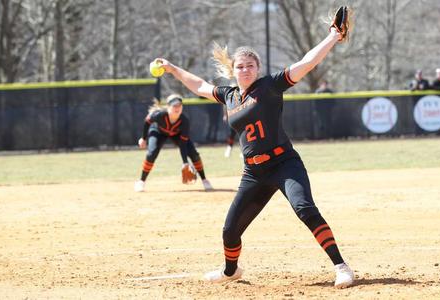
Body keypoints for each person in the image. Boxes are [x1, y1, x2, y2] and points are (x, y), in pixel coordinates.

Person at [151, 7, 354, 288]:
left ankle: (342, 267)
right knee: (230, 230)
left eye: (250, 65)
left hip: (284, 164)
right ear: (232, 71)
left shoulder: (270, 86)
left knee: (305, 209)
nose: (245, 69)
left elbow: (307, 62)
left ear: (257, 69)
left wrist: (333, 36)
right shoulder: (229, 95)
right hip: (254, 173)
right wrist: (173, 69)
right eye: (240, 66)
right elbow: (199, 86)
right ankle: (230, 270)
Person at [134, 94, 213, 192]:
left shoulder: (184, 121)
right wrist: (144, 138)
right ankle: (141, 182)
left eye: (179, 105)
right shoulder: (160, 115)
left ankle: (205, 180)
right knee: (152, 153)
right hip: (158, 131)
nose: (177, 108)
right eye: (174, 105)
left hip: (176, 134)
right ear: (168, 107)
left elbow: (183, 143)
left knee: (193, 153)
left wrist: (185, 162)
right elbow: (147, 121)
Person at [409, 69, 430, 135]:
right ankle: (417, 132)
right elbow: (410, 89)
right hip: (415, 102)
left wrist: (419, 87)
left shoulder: (425, 81)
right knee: (417, 117)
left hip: (424, 103)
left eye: (420, 74)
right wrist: (415, 87)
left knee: (424, 117)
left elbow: (425, 88)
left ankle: (425, 132)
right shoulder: (413, 82)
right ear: (416, 75)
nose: (419, 75)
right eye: (418, 74)